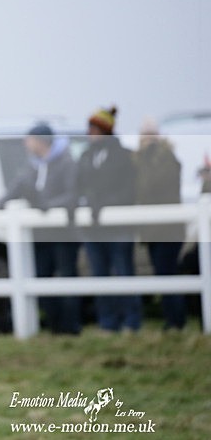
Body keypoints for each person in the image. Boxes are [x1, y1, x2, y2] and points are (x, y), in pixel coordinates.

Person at [0, 123, 81, 334]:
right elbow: (14, 190)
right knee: (39, 277)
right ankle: (55, 325)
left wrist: (49, 207)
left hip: (63, 234)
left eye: (29, 139)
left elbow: (72, 194)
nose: (25, 143)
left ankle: (71, 327)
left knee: (67, 278)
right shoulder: (31, 166)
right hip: (40, 235)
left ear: (40, 141)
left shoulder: (66, 163)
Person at [75, 106, 140, 332]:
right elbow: (79, 185)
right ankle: (108, 322)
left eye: (93, 128)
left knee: (123, 273)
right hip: (93, 228)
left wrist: (105, 203)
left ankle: (131, 321)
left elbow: (128, 190)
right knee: (99, 275)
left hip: (118, 227)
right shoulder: (85, 156)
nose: (89, 133)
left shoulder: (122, 156)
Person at [134, 118, 185, 329]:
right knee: (161, 273)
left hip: (168, 229)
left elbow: (154, 186)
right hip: (151, 229)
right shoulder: (140, 159)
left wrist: (146, 158)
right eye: (144, 134)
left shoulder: (167, 158)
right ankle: (171, 318)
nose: (148, 139)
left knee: (167, 272)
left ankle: (176, 320)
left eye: (150, 134)